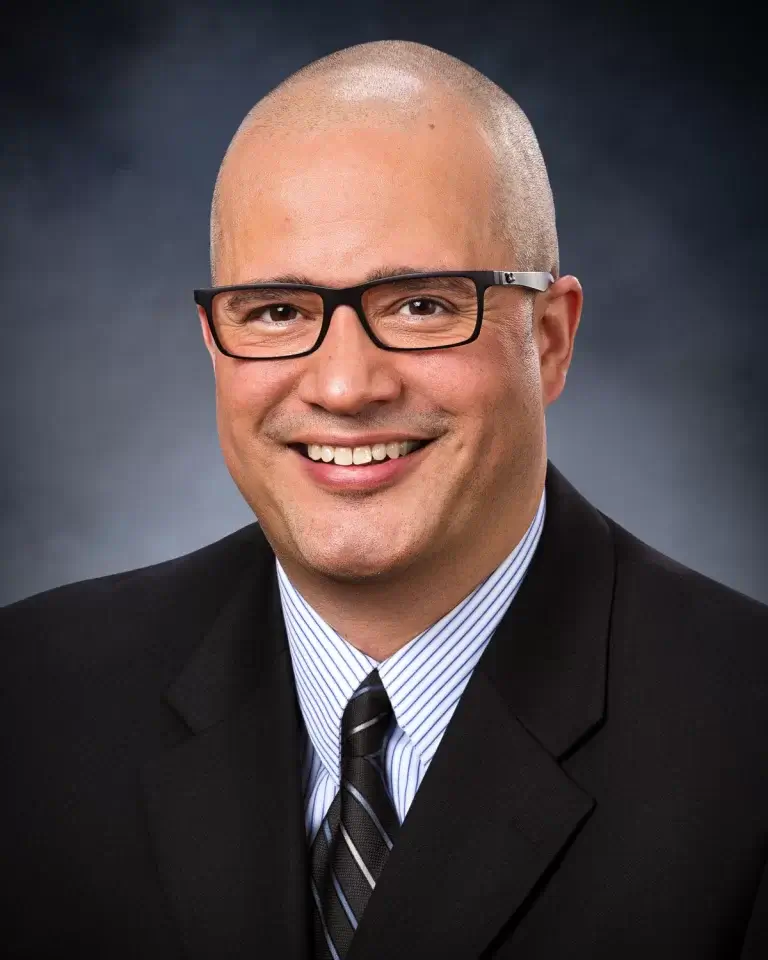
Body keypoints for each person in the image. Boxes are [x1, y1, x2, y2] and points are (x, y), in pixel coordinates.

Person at [2, 39, 766, 960]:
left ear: (550, 338)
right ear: (213, 342)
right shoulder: (30, 701)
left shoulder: (745, 739)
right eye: (277, 312)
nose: (344, 386)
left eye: (421, 305)